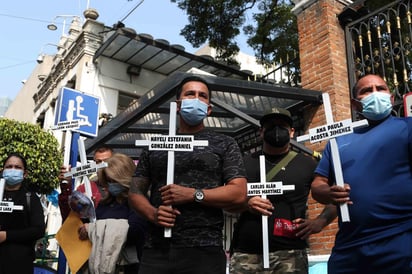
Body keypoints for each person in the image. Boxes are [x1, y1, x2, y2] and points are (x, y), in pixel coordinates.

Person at [129, 75, 248, 274]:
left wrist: (194, 194)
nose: (196, 99)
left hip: (205, 251)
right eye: (190, 94)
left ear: (209, 109)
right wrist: (153, 214)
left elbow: (239, 192)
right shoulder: (155, 145)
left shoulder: (224, 144)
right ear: (178, 105)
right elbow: (135, 192)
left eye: (202, 96)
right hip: (156, 251)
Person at [311, 74, 412, 274]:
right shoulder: (338, 141)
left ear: (391, 99)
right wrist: (329, 192)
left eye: (380, 89)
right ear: (355, 104)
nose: (375, 94)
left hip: (402, 243)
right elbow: (318, 184)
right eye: (366, 91)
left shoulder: (407, 128)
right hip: (348, 250)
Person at [229, 108, 336, 274]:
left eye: (282, 126)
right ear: (261, 132)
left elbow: (335, 198)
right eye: (271, 125)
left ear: (292, 132)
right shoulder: (243, 163)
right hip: (246, 253)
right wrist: (246, 203)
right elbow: (226, 202)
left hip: (291, 254)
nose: (277, 130)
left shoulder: (307, 164)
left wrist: (320, 222)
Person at [77, 153, 146, 274]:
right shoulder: (105, 203)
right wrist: (86, 214)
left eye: (113, 180)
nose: (111, 184)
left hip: (126, 268)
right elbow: (88, 230)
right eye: (108, 181)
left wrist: (93, 228)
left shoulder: (137, 201)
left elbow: (135, 232)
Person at [0, 152, 46, 274]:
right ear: (2, 170)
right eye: (9, 167)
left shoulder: (31, 198)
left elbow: (39, 229)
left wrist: (6, 236)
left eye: (17, 167)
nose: (12, 170)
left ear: (25, 173)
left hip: (19, 265)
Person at [58, 145, 113, 220]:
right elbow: (69, 215)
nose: (102, 165)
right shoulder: (84, 188)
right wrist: (66, 185)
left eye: (107, 161)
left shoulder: (123, 186)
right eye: (98, 162)